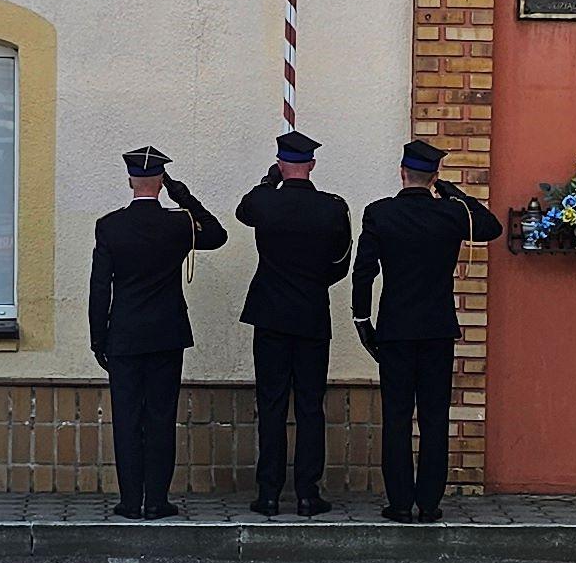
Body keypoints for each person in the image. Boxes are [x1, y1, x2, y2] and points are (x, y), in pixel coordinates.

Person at [348, 139, 500, 523]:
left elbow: (364, 272)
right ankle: (429, 503)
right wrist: (452, 192)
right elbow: (490, 226)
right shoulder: (450, 213)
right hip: (437, 330)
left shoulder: (380, 213)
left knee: (397, 417)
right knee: (434, 417)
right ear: (434, 177)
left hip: (395, 330)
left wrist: (362, 320)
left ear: (402, 172)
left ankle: (400, 502)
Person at [88, 146, 228, 518]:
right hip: (167, 333)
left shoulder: (110, 226)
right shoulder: (178, 223)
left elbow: (100, 287)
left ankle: (130, 501)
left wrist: (98, 338)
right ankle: (156, 501)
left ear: (130, 180)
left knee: (127, 419)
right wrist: (184, 197)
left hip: (124, 335)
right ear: (161, 182)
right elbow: (217, 235)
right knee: (161, 417)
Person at [236, 131, 352, 517]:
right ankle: (307, 493)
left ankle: (268, 493)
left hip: (270, 314)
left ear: (280, 164)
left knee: (271, 404)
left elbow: (244, 210)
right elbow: (340, 263)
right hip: (311, 314)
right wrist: (314, 283)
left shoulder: (266, 201)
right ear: (312, 165)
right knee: (309, 406)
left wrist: (268, 181)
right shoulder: (332, 207)